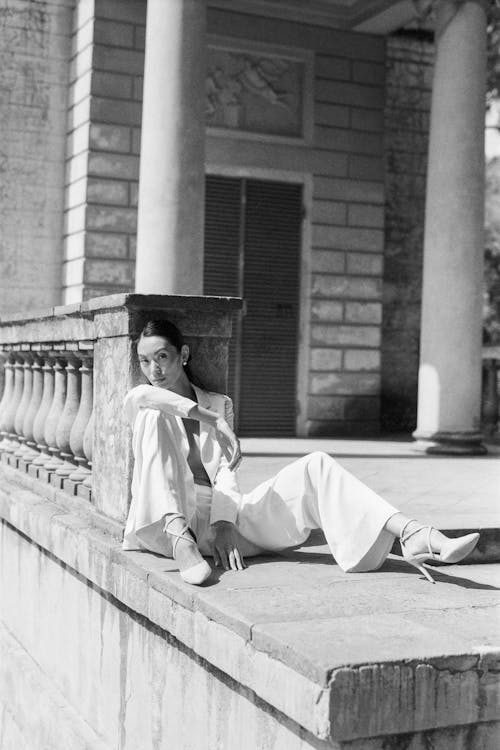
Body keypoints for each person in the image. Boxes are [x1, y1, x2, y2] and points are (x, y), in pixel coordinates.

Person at [122, 319, 480, 586]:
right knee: (154, 414)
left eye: (163, 357)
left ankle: (414, 534)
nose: (154, 370)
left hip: (220, 522)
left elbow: (226, 473)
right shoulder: (148, 404)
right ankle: (179, 537)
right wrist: (211, 419)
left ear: (183, 355)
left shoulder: (219, 402)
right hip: (167, 525)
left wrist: (224, 522)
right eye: (144, 361)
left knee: (317, 465)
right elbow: (141, 396)